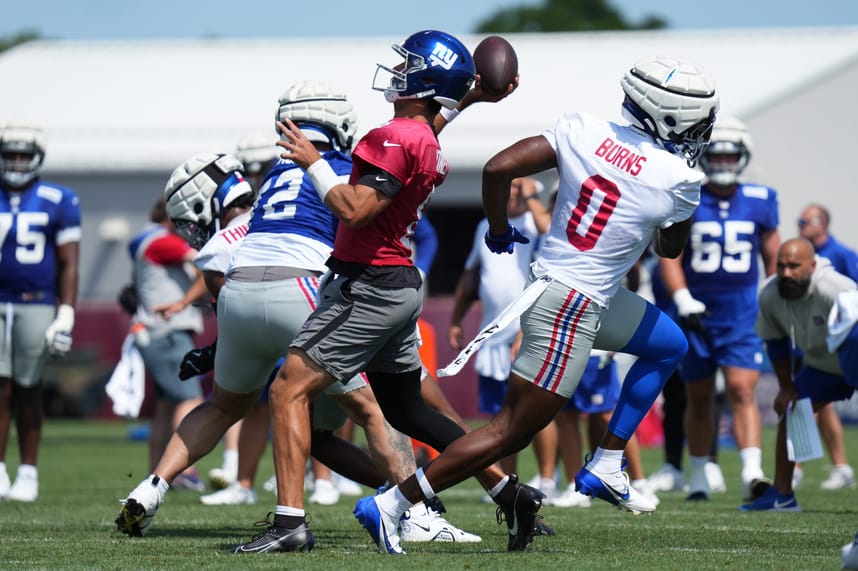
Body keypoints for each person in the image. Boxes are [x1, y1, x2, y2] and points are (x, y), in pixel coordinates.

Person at [356, 54, 719, 555]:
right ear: (669, 116)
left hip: (578, 293)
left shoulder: (583, 129)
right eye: (698, 122)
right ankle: (394, 504)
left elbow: (498, 166)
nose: (702, 132)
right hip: (571, 306)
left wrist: (500, 229)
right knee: (511, 431)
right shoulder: (677, 177)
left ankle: (608, 462)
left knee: (667, 344)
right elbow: (669, 250)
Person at [116, 81, 480, 545]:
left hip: (240, 290)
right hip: (304, 286)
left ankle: (153, 487)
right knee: (374, 409)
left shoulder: (271, 178)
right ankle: (417, 513)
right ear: (340, 124)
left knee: (225, 405)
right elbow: (409, 154)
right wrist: (460, 100)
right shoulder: (352, 165)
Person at [232, 31, 537, 555]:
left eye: (410, 64)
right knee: (409, 412)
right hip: (395, 284)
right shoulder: (423, 136)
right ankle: (510, 492)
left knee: (287, 390)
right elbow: (436, 119)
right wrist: (475, 96)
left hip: (368, 286)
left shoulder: (396, 136)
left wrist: (313, 161)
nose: (399, 70)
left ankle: (289, 524)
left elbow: (354, 209)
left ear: (426, 81)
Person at [659, 116, 779, 502]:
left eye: (731, 156)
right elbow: (669, 254)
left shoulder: (762, 199)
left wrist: (772, 294)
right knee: (699, 395)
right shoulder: (688, 195)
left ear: (742, 157)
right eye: (718, 155)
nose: (724, 162)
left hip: (742, 310)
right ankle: (697, 474)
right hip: (698, 309)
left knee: (744, 389)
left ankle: (751, 472)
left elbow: (772, 254)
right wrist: (680, 297)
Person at [448, 176, 560, 500]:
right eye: (507, 187)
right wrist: (456, 320)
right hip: (493, 333)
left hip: (528, 330)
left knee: (535, 410)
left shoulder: (534, 222)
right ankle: (507, 480)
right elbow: (471, 275)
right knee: (502, 415)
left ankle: (549, 479)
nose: (510, 193)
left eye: (516, 186)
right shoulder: (485, 225)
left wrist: (530, 194)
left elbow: (546, 236)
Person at [740, 238, 858, 511]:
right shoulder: (769, 293)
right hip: (823, 367)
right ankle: (782, 495)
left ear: (812, 266)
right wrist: (786, 387)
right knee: (792, 406)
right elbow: (776, 340)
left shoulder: (837, 289)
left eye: (794, 266)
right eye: (781, 266)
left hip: (853, 356)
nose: (786, 273)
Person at [0, 122, 80, 502]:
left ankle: (28, 472)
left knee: (29, 389)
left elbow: (69, 263)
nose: (16, 162)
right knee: (0, 389)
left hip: (35, 301)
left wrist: (66, 312)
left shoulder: (57, 197)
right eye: (9, 154)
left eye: (22, 154)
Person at [126, 196, 211, 491]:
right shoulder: (163, 241)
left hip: (155, 331)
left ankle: (157, 473)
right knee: (189, 400)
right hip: (168, 331)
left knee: (164, 407)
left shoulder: (146, 238)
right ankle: (185, 471)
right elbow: (205, 264)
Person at [795, 203, 857, 490]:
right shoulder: (804, 255)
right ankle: (801, 469)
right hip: (809, 343)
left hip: (839, 347)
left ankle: (837, 466)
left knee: (815, 403)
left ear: (821, 223)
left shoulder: (842, 255)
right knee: (806, 403)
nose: (800, 226)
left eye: (804, 221)